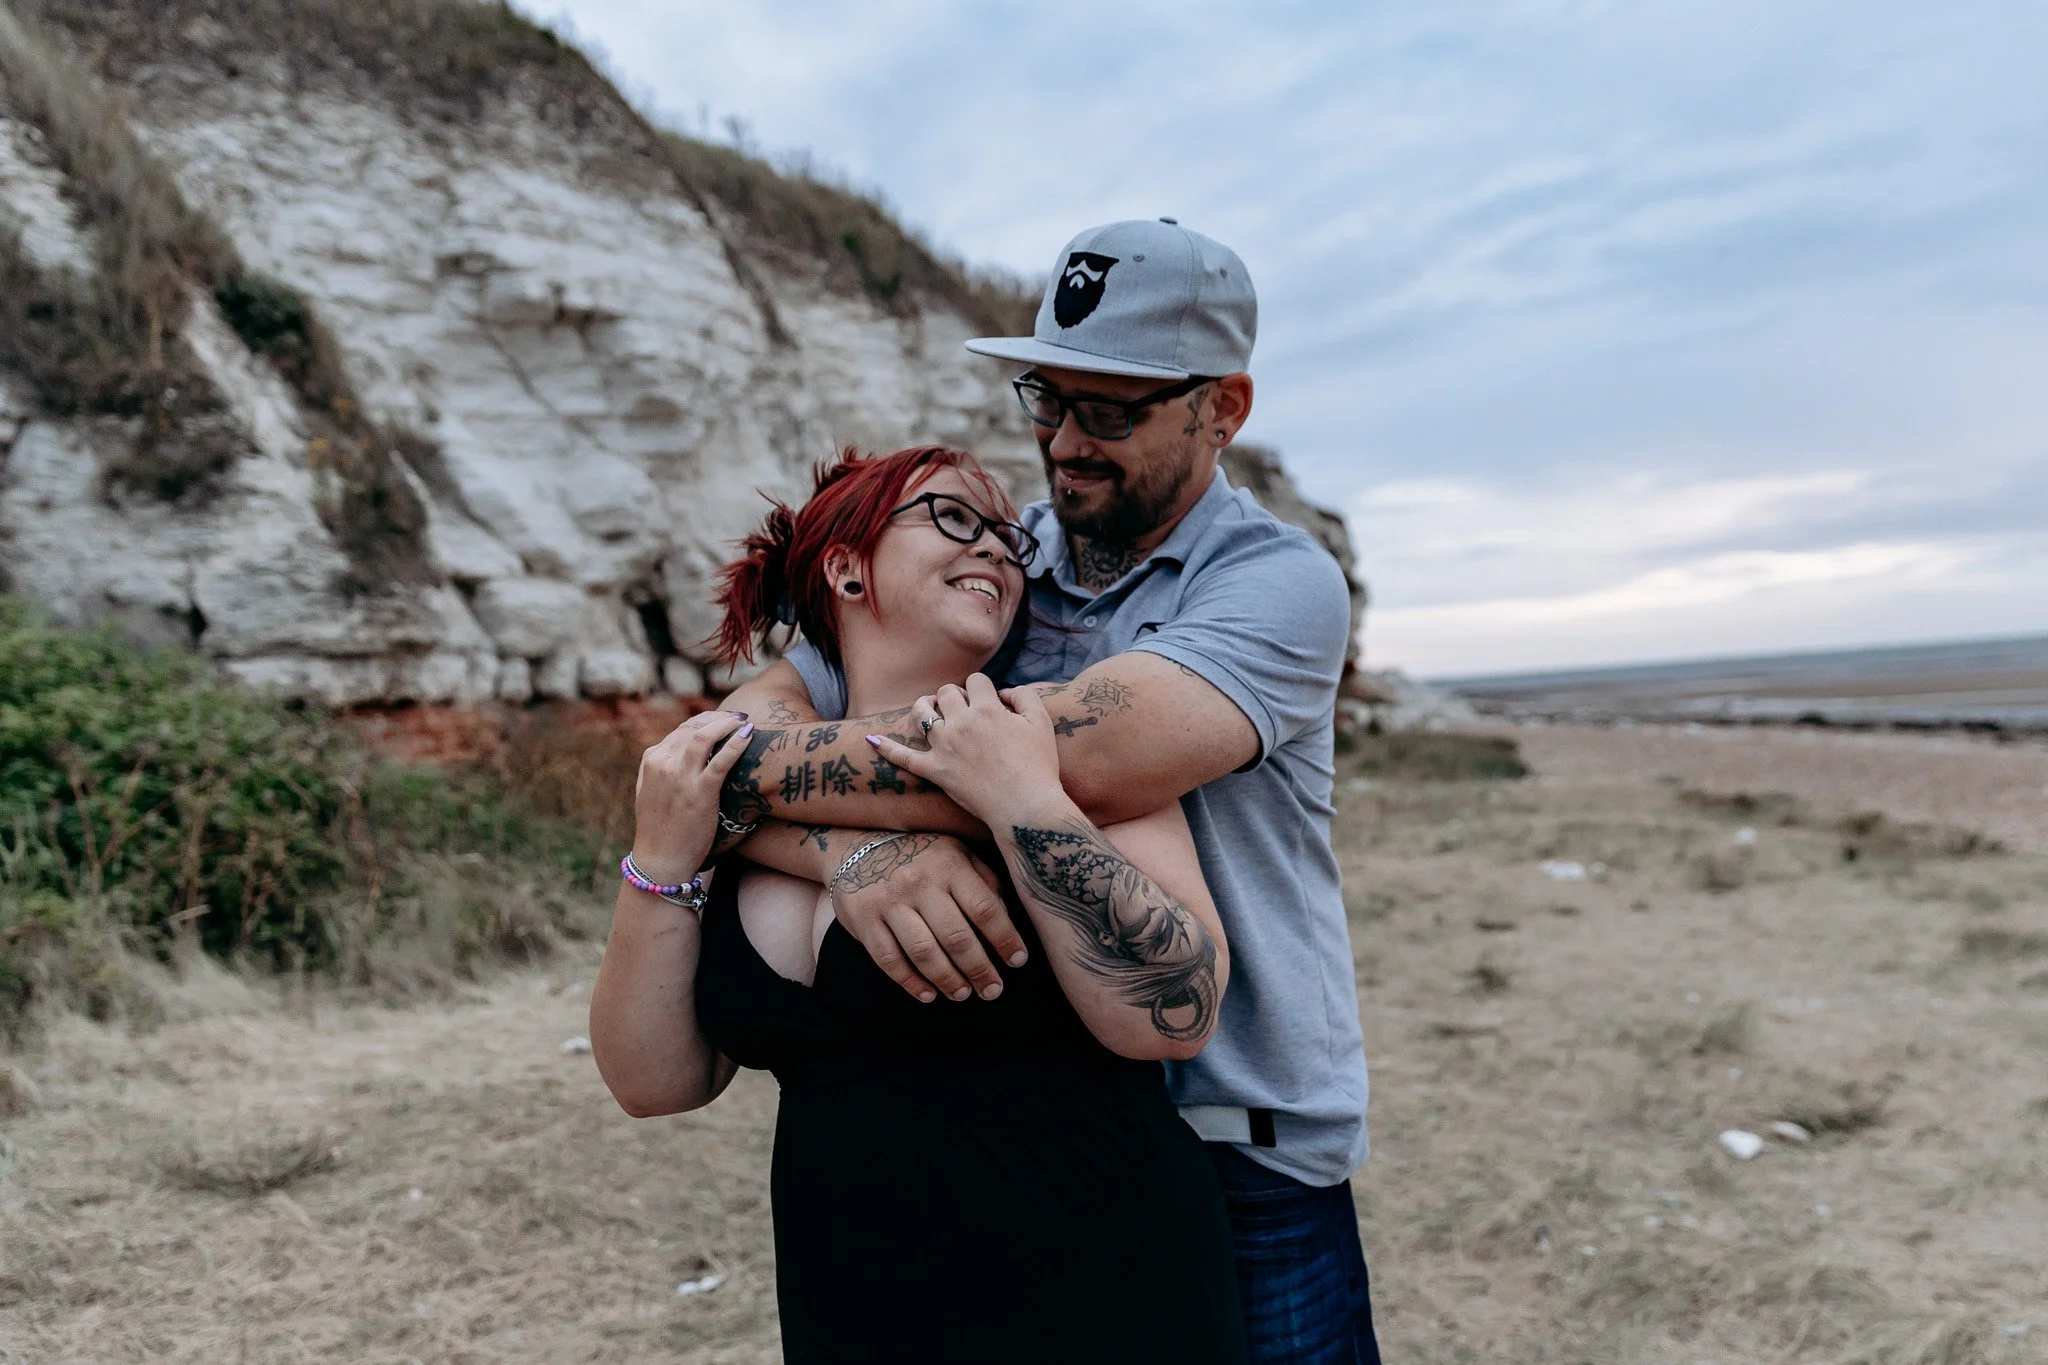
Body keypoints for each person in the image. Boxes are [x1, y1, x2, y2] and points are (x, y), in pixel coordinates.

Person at [717, 219, 1381, 1363]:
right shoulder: (997, 560)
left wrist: (734, 795)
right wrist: (847, 850)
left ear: (1222, 409)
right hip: (1048, 1125)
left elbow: (1084, 760)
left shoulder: (1274, 583)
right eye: (1046, 398)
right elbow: (761, 708)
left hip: (1244, 1142)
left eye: (1109, 411)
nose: (1063, 442)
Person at [590, 445, 1249, 1364]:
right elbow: (654, 1082)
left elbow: (1175, 1014)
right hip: (854, 1313)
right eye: (952, 516)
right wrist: (667, 855)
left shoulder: (1049, 744)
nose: (995, 546)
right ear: (846, 565)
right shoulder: (742, 787)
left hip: (1104, 1295)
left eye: (1006, 535)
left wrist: (1024, 803)